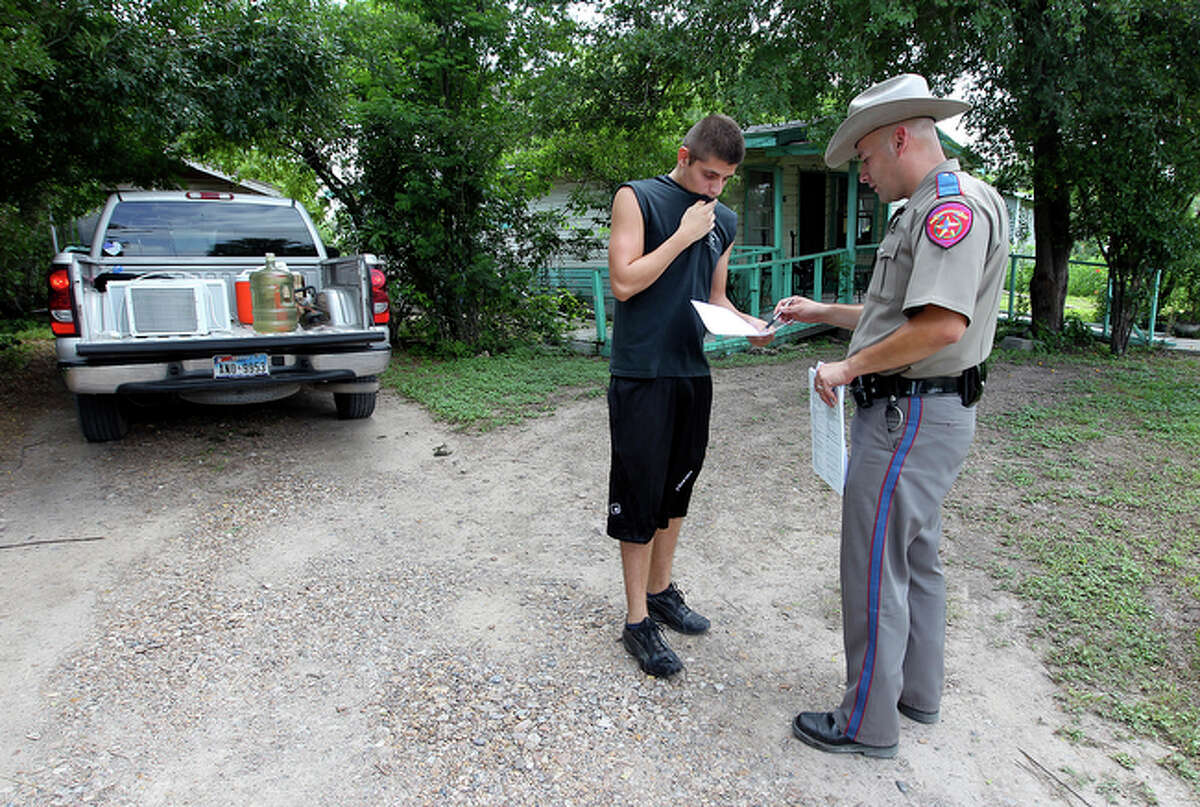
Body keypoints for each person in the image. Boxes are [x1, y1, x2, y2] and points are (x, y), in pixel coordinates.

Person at [774, 74, 1009, 756]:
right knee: (916, 556)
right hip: (931, 413)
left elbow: (938, 325)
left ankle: (865, 722)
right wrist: (823, 313)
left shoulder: (946, 208)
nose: (865, 175)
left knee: (875, 562)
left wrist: (847, 368)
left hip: (907, 415)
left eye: (868, 159)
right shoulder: (944, 203)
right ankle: (915, 693)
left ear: (900, 137)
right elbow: (899, 316)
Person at [606, 114, 772, 677]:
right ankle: (635, 622)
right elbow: (624, 282)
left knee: (677, 491)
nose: (716, 189)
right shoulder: (638, 198)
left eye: (725, 179)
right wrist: (681, 237)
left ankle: (661, 591)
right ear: (684, 157)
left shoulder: (722, 219)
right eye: (708, 175)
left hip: (690, 373)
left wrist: (750, 324)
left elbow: (715, 297)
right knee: (639, 493)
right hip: (641, 372)